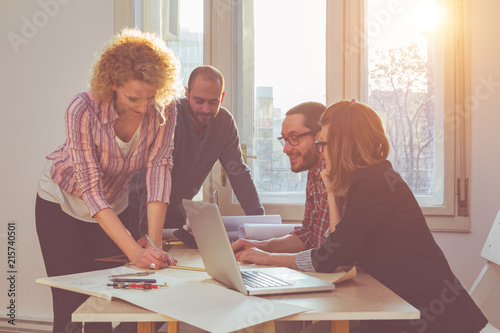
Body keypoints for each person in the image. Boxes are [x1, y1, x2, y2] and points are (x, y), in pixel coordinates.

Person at [234, 100, 488, 333]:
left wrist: (268, 258)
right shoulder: (365, 179)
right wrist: (331, 188)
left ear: (343, 144)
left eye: (324, 144)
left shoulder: (376, 183)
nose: (321, 152)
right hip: (399, 305)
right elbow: (337, 241)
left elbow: (331, 256)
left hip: (429, 315)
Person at [35, 28, 180, 333]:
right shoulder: (82, 110)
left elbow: (159, 170)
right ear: (113, 83)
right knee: (71, 306)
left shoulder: (164, 110)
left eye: (150, 98)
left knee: (104, 303)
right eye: (133, 98)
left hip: (113, 205)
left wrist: (152, 247)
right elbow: (90, 188)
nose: (143, 108)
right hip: (62, 204)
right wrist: (134, 252)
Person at [128, 65, 264, 237]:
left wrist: (261, 225)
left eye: (213, 102)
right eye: (199, 101)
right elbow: (149, 179)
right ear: (186, 94)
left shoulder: (224, 123)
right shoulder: (168, 116)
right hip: (136, 208)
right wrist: (147, 235)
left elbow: (239, 173)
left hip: (176, 211)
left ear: (222, 97)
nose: (206, 109)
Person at [231, 102, 346, 255]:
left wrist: (268, 257)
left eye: (294, 138)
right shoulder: (314, 173)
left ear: (320, 135)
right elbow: (309, 234)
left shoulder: (335, 174)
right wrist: (260, 246)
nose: (286, 149)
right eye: (284, 139)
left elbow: (329, 250)